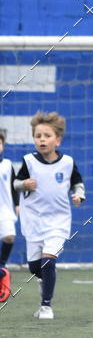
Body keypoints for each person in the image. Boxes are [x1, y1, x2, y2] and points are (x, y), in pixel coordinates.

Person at [14, 112, 85, 319]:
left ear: (58, 140)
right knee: (35, 267)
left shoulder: (68, 163)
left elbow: (78, 183)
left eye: (46, 135)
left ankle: (46, 306)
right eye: (38, 136)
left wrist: (79, 195)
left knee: (48, 262)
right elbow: (16, 184)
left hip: (58, 221)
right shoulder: (28, 161)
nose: (42, 139)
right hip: (33, 220)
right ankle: (45, 278)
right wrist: (24, 184)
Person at [0, 129, 18, 304]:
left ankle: (2, 266)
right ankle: (2, 274)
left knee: (9, 237)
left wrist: (17, 204)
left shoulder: (7, 165)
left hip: (4, 210)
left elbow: (13, 187)